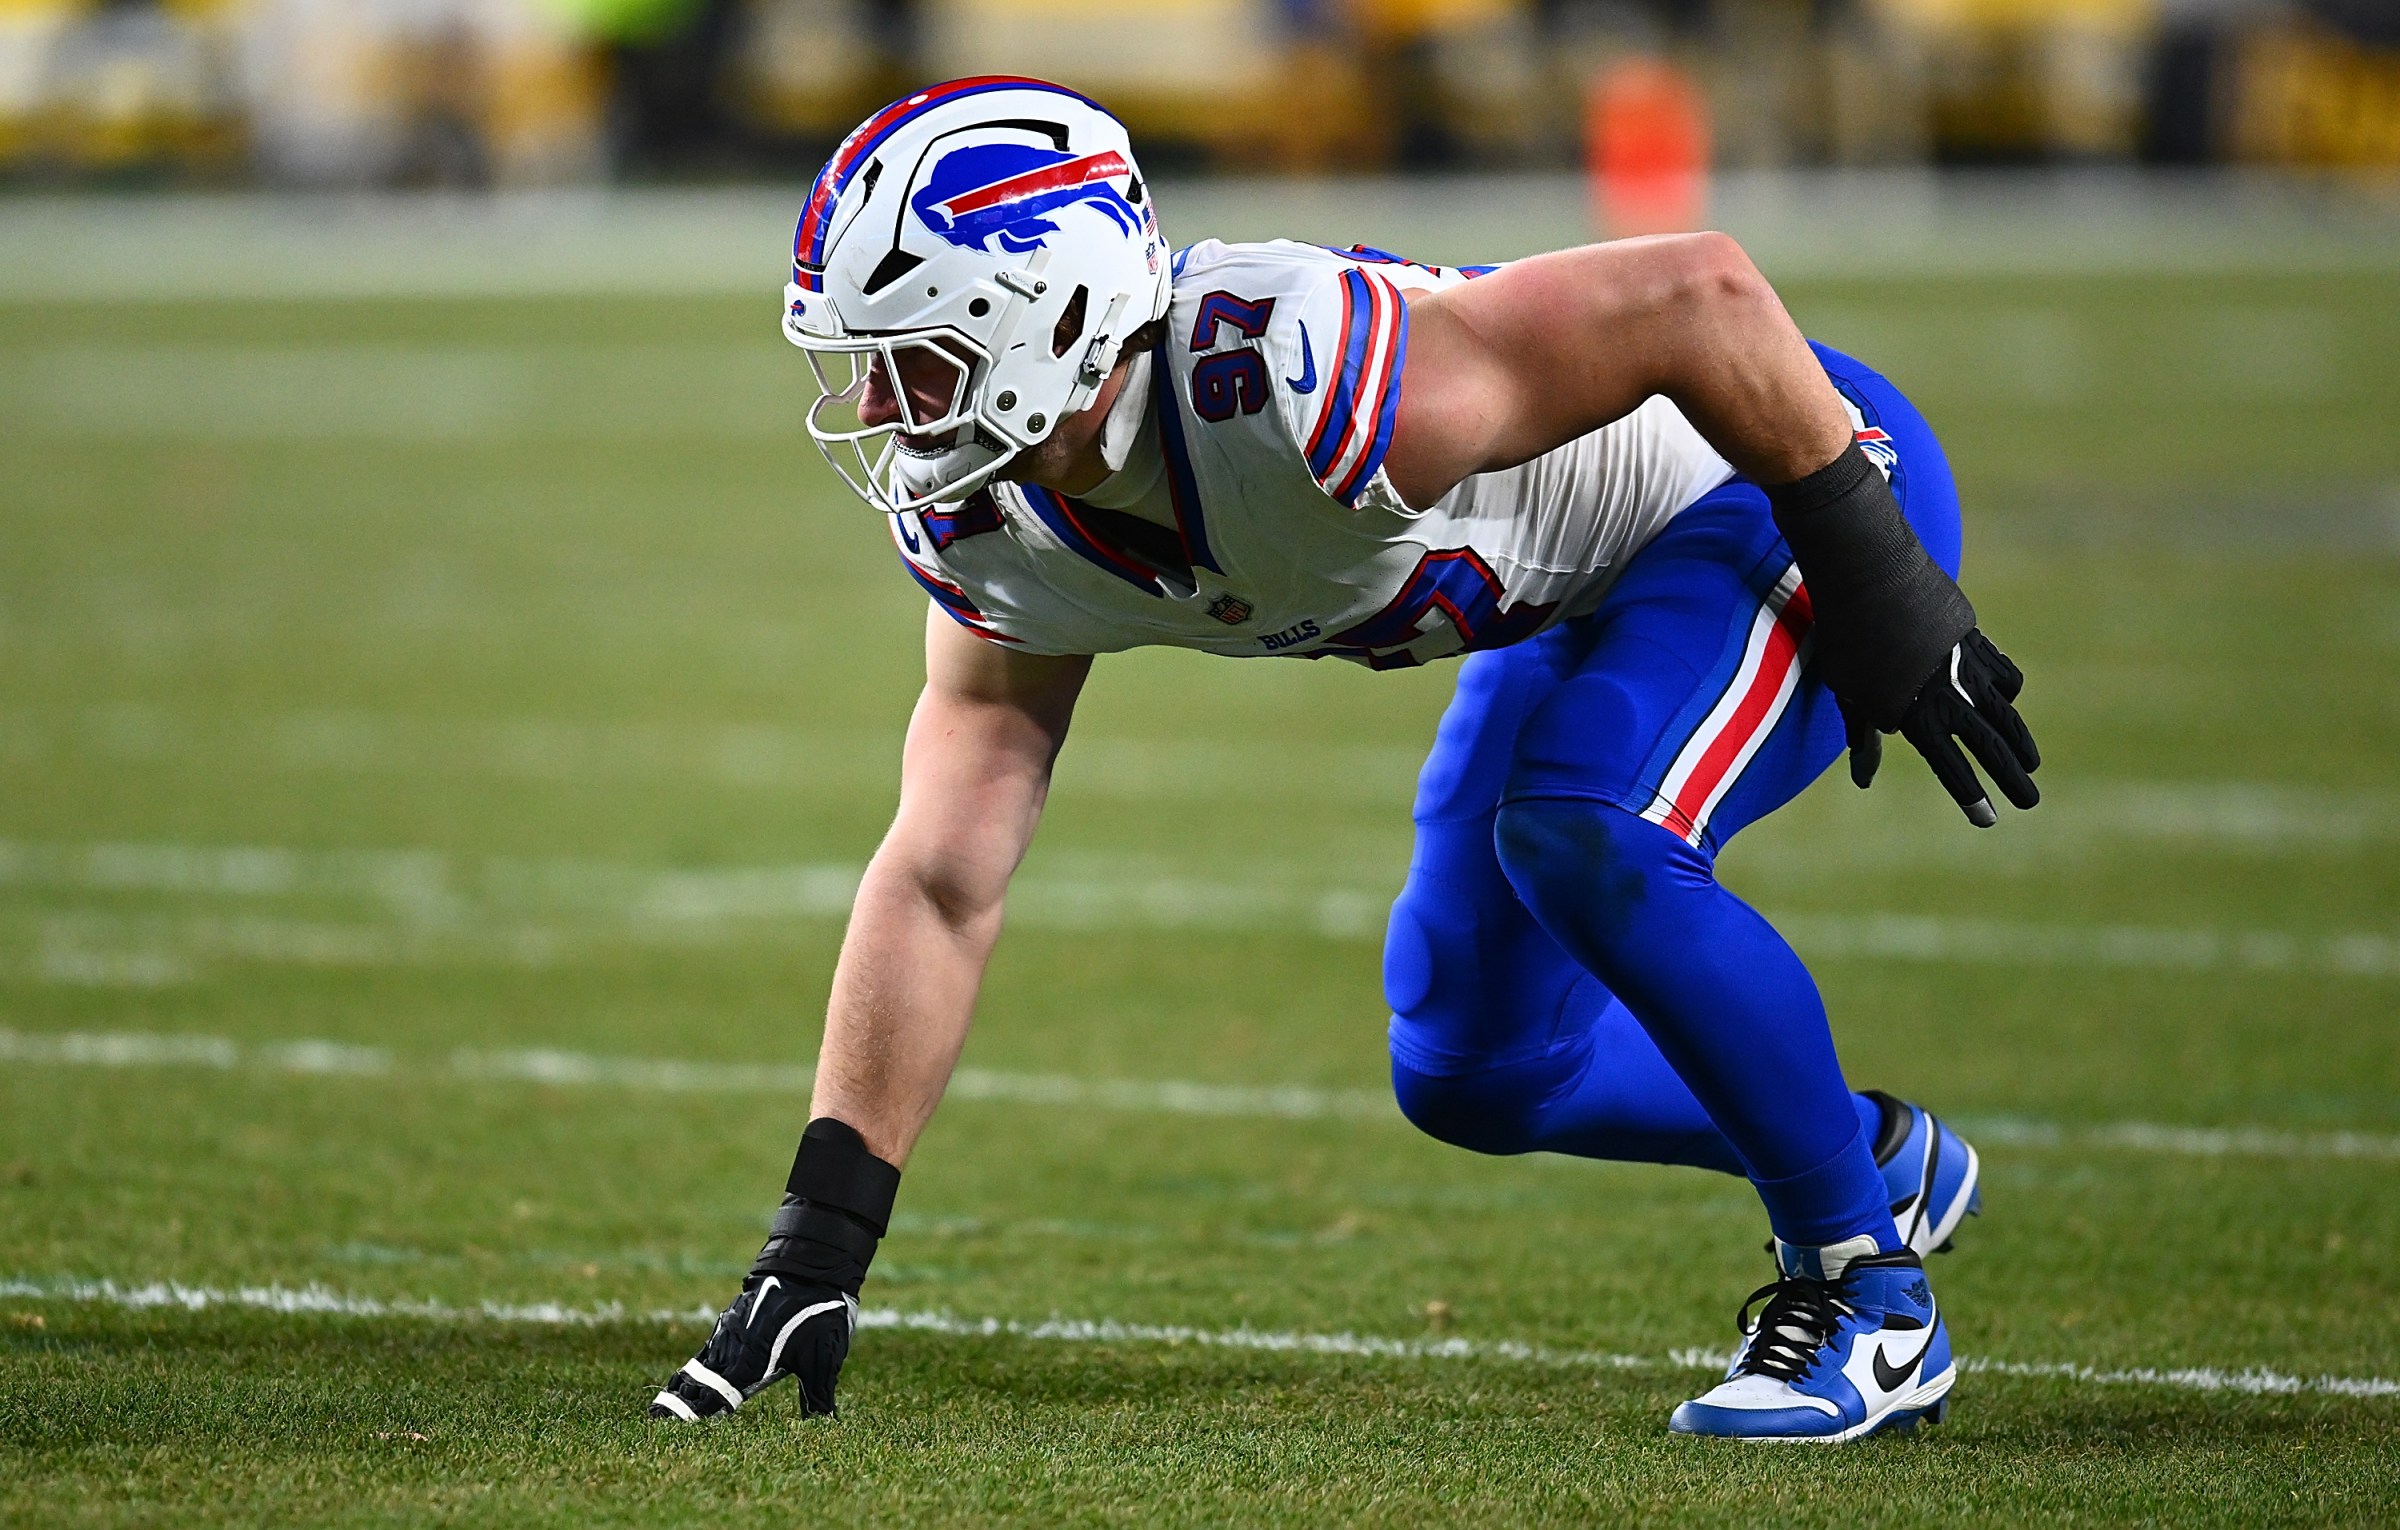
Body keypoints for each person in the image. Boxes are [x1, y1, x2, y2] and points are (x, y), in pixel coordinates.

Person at [647, 75, 2039, 1442]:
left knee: (1581, 827)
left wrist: (1879, 570)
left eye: (917, 358)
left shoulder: (1282, 384)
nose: (884, 404)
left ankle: (1869, 1290)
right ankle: (1863, 1152)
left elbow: (1704, 297)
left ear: (1051, 321)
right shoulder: (993, 534)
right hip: (1580, 581)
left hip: (1780, 462)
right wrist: (817, 1246)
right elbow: (943, 878)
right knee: (1479, 1066)